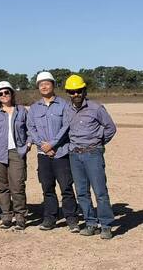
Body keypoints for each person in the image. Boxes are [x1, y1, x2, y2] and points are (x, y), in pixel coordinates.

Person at [64, 74, 117, 239]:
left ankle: (106, 225)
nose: (76, 94)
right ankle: (90, 223)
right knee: (81, 192)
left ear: (84, 90)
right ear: (68, 93)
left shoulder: (96, 108)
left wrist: (98, 144)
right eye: (72, 92)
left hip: (93, 153)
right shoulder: (67, 110)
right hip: (75, 155)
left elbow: (110, 128)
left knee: (100, 192)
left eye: (79, 91)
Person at [27, 72, 78, 232]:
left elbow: (66, 127)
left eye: (47, 83)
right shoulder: (34, 108)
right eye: (41, 84)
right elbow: (30, 128)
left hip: (61, 153)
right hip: (43, 155)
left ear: (53, 85)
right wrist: (42, 145)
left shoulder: (64, 105)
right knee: (47, 188)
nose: (44, 86)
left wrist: (52, 144)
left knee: (66, 188)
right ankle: (50, 218)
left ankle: (72, 219)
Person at [0, 81, 29, 230]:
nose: (4, 95)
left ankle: (20, 217)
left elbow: (30, 130)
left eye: (6, 92)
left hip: (16, 153)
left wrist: (28, 145)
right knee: (2, 188)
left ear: (11, 93)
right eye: (0, 93)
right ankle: (7, 217)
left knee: (18, 186)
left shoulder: (22, 111)